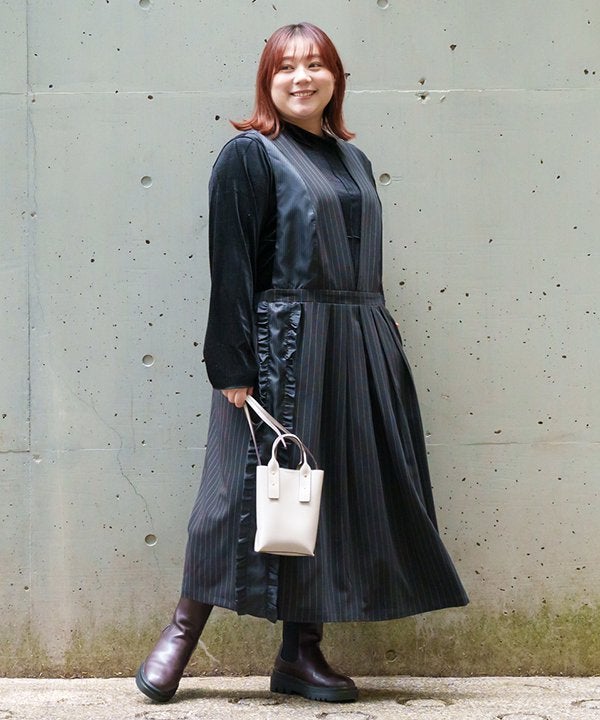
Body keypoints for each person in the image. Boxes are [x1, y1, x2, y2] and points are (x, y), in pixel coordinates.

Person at [135, 21, 468, 704]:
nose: (302, 77)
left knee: (328, 495)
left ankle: (300, 651)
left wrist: (377, 348)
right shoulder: (250, 155)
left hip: (355, 344)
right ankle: (181, 632)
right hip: (281, 348)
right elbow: (231, 264)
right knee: (238, 495)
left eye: (316, 64)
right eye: (286, 67)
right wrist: (232, 366)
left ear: (336, 79)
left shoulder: (353, 160)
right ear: (267, 81)